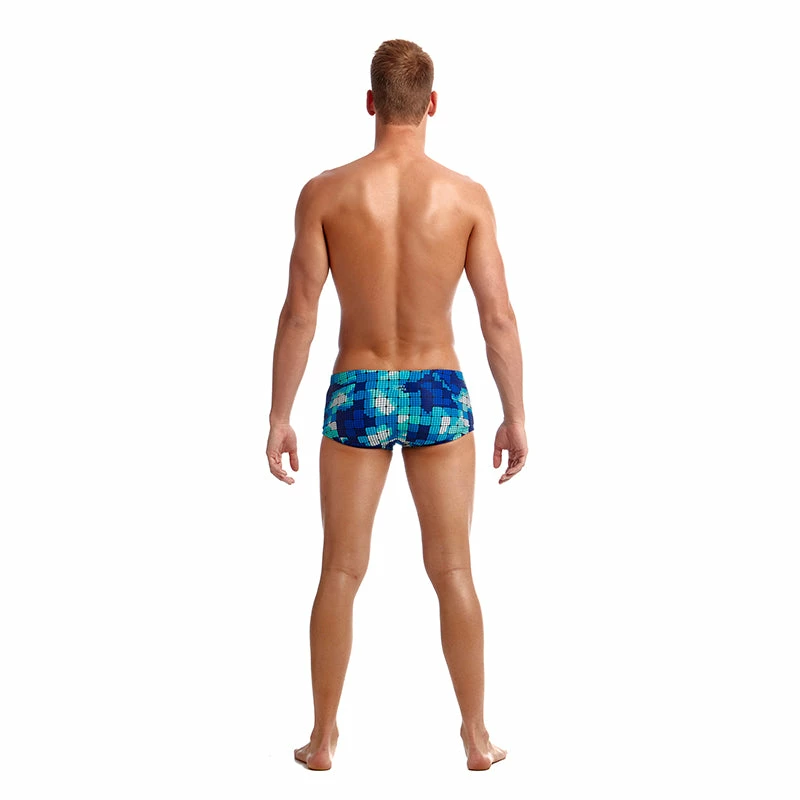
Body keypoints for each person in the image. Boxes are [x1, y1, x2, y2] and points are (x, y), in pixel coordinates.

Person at [266, 38, 527, 771]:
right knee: (454, 571)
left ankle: (322, 739)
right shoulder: (466, 196)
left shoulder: (325, 193)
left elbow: (300, 312)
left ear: (371, 102)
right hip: (437, 388)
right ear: (432, 104)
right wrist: (515, 414)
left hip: (358, 389)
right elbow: (498, 317)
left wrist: (280, 415)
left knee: (340, 571)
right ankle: (475, 737)